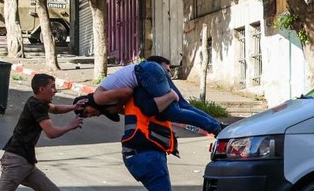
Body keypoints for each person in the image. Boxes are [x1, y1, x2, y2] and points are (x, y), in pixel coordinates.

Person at [105, 85, 182, 191]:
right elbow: (178, 106)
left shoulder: (140, 97)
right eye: (165, 71)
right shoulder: (148, 98)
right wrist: (173, 94)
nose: (167, 77)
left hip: (145, 153)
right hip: (144, 154)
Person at [92, 56, 224, 136]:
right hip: (150, 70)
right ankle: (218, 125)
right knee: (183, 105)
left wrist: (118, 106)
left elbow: (127, 92)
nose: (90, 115)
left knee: (174, 112)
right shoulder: (104, 96)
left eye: (87, 113)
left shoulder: (98, 97)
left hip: (145, 73)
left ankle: (215, 128)